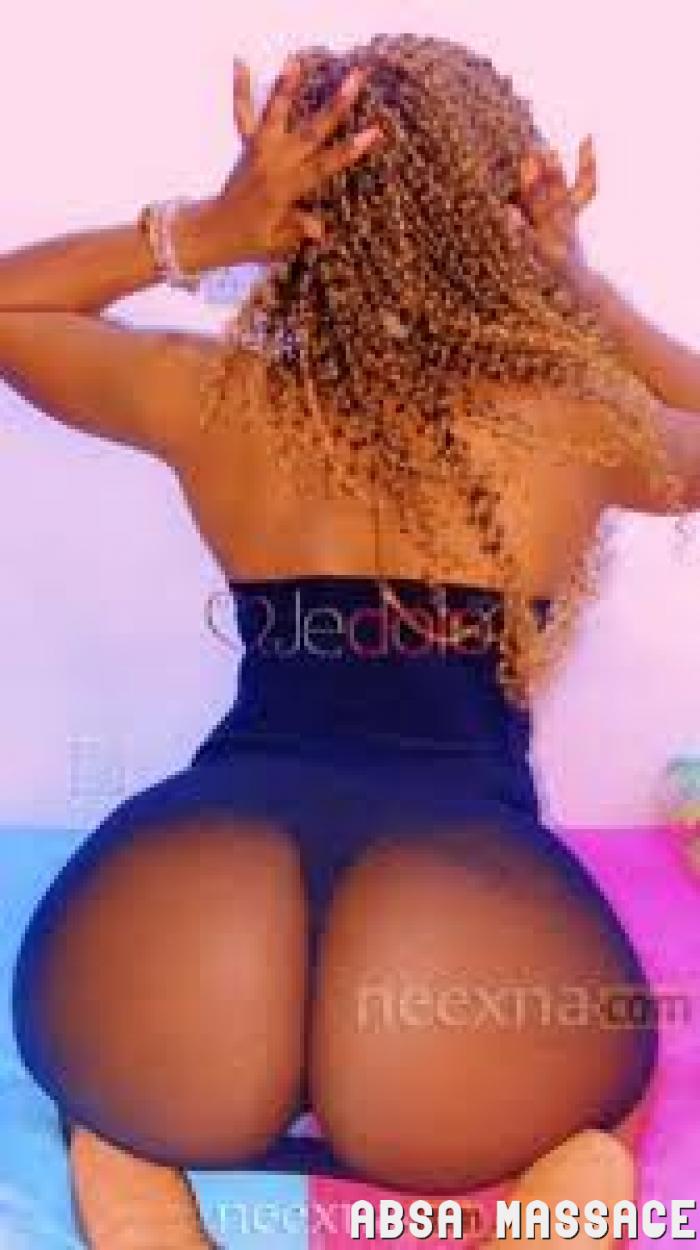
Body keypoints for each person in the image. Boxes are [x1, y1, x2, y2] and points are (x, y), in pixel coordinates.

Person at [4, 31, 699, 1249]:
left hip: (183, 902)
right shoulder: (581, 425)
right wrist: (577, 285)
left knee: (111, 1102)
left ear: (305, 217)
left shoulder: (218, 395)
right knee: (602, 1115)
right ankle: (561, 1187)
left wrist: (202, 232)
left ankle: (132, 1174)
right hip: (458, 941)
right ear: (495, 224)